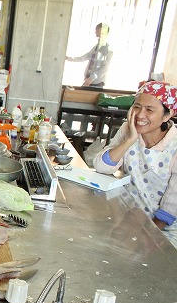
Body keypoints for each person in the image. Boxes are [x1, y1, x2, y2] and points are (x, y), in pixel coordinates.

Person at [93, 81, 177, 248]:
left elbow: (171, 207)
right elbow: (101, 166)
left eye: (149, 110)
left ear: (167, 115)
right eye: (137, 106)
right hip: (128, 216)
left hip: (163, 228)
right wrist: (130, 139)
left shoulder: (174, 145)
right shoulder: (128, 129)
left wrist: (145, 236)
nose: (140, 115)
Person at [66, 23, 112, 87]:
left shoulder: (107, 49)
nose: (97, 33)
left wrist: (91, 78)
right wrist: (68, 58)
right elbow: (84, 57)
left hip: (96, 82)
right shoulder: (96, 47)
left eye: (99, 32)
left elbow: (104, 68)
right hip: (90, 80)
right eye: (97, 31)